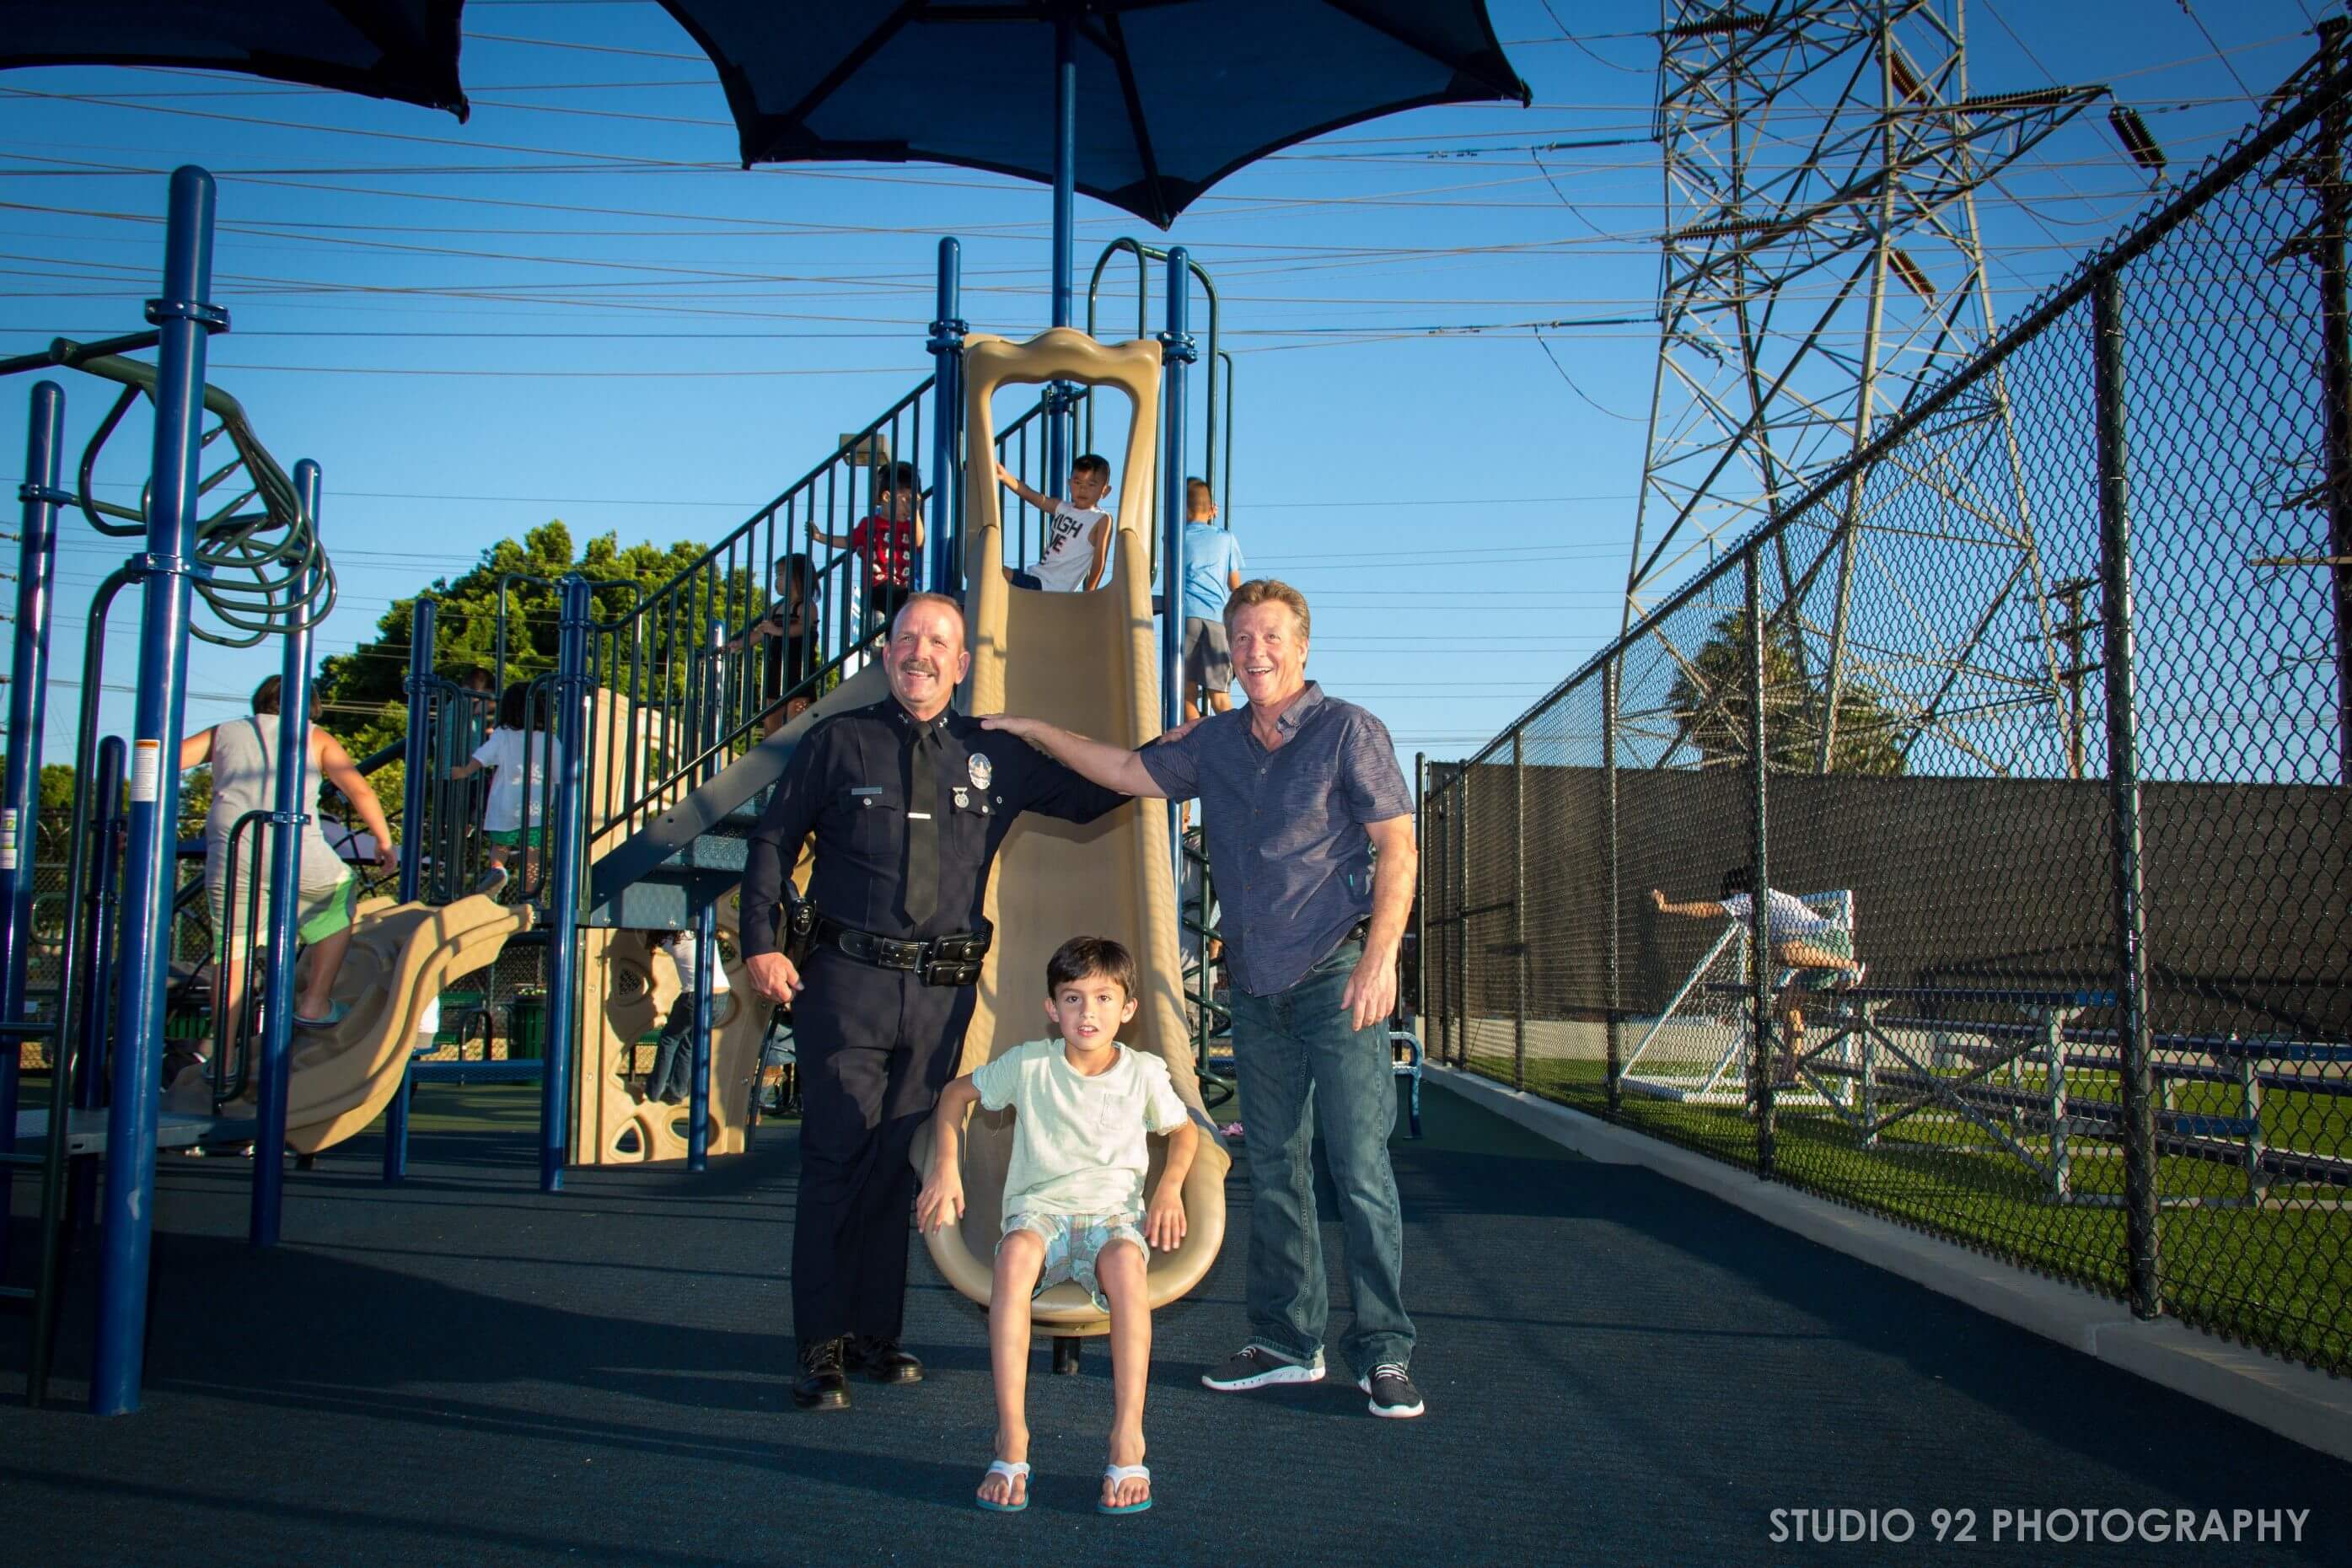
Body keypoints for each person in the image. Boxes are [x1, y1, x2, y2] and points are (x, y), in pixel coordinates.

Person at [980, 578, 1426, 1420]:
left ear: (1302, 647)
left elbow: (1397, 847)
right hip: (1254, 988)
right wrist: (1036, 729)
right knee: (1276, 1168)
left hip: (1336, 975)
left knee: (1359, 1167)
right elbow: (1120, 768)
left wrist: (1381, 958)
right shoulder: (1215, 743)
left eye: (1271, 637)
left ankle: (1384, 1352)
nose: (1256, 650)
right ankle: (1290, 1342)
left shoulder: (1347, 731)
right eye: (1242, 637)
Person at [736, 591, 1134, 1412]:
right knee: (837, 1155)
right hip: (846, 984)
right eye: (906, 638)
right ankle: (819, 1348)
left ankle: (872, 1335)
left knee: (895, 1163)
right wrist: (761, 941)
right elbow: (774, 839)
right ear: (886, 656)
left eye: (938, 642)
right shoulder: (837, 742)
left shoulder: (994, 753)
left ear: (961, 663)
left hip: (942, 993)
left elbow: (1103, 794)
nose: (920, 652)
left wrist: (1062, 735)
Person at [918, 936, 1199, 1516]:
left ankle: (1128, 1436)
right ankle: (1011, 1436)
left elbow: (1185, 1129)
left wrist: (1170, 1186)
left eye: (1102, 998)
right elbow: (952, 1097)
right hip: (1039, 1212)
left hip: (1112, 1216)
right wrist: (946, 1164)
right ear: (1052, 1008)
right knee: (1015, 1259)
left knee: (1125, 1268)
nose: (1087, 1012)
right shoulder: (1029, 1064)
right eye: (1072, 998)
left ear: (1127, 1009)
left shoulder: (1144, 1072)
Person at [175, 676, 399, 1086]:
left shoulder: (227, 731)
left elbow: (166, 759)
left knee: (233, 950)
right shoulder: (314, 737)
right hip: (290, 840)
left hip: (232, 845)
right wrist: (384, 841)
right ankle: (314, 1002)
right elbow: (358, 790)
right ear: (309, 706)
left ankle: (222, 1059)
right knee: (338, 890)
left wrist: (138, 816)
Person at [1651, 871, 1864, 1077]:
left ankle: (1847, 966)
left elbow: (1707, 909)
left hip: (1832, 942)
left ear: (1736, 890)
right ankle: (1791, 1068)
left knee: (1784, 953)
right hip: (1818, 956)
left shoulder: (1751, 898)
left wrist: (1667, 907)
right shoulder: (1759, 909)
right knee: (1788, 1004)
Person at [446, 681, 556, 898]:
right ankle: (530, 894)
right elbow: (563, 770)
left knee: (501, 847)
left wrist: (465, 771)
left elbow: (483, 756)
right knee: (532, 851)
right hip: (536, 807)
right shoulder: (549, 740)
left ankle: (498, 870)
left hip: (505, 804)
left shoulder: (502, 734)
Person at [814, 461, 924, 636]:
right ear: (887, 497)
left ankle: (892, 640)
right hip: (877, 585)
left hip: (901, 588)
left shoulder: (909, 526)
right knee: (902, 602)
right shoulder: (870, 524)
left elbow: (918, 541)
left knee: (909, 606)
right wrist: (821, 537)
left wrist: (917, 511)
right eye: (907, 502)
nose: (909, 509)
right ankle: (888, 640)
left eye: (914, 503)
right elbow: (849, 541)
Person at [642, 926, 732, 1105]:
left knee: (669, 1039)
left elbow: (654, 946)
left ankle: (653, 1090)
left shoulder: (668, 939)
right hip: (722, 997)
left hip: (695, 995)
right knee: (689, 1043)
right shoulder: (703, 931)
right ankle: (676, 1092)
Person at [995, 455, 1112, 593]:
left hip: (1052, 588)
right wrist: (1005, 476)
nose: (1083, 489)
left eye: (1091, 485)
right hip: (1034, 577)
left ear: (1105, 491)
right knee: (991, 572)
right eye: (1077, 482)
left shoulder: (1100, 519)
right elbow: (1030, 495)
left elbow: (1099, 561)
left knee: (994, 571)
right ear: (1069, 483)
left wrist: (1089, 594)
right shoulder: (1062, 507)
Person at [1179, 479, 1244, 720]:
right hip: (1217, 619)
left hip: (1186, 617)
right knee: (1219, 695)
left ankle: (1196, 747)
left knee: (1186, 692)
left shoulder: (1176, 537)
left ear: (1183, 509)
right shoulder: (1225, 538)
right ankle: (1238, 744)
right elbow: (1235, 586)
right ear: (1212, 509)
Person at [735, 552, 819, 737]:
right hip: (777, 668)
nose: (776, 580)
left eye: (781, 575)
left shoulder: (806, 606)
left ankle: (796, 754)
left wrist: (779, 631)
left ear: (798, 577)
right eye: (776, 575)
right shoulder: (777, 608)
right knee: (771, 718)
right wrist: (737, 644)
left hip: (799, 670)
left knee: (797, 718)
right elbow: (759, 633)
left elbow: (804, 627)